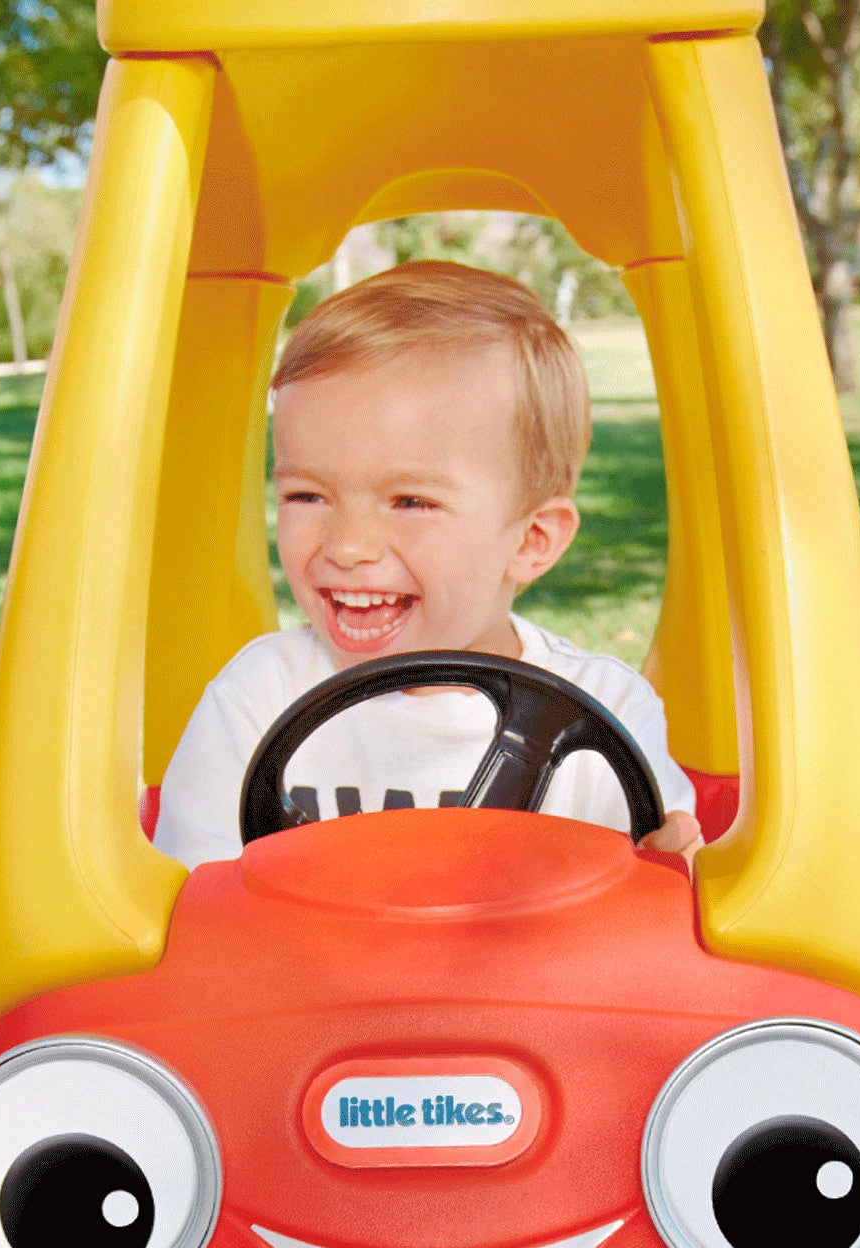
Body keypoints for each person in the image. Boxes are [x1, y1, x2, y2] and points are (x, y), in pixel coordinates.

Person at [152, 260, 705, 870]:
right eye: (307, 495)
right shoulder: (257, 698)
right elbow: (196, 914)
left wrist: (673, 870)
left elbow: (652, 915)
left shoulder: (607, 711)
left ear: (533, 539)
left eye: (411, 502)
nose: (347, 546)